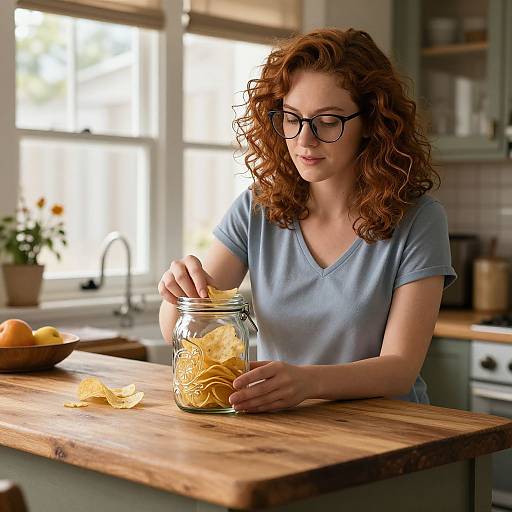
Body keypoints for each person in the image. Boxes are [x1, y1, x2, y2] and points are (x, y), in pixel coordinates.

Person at [159, 28, 456, 413]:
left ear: (371, 123)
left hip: (389, 431)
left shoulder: (420, 220)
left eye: (327, 121)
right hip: (288, 426)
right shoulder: (256, 209)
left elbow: (400, 368)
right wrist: (179, 295)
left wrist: (307, 381)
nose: (304, 140)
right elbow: (179, 332)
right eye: (291, 118)